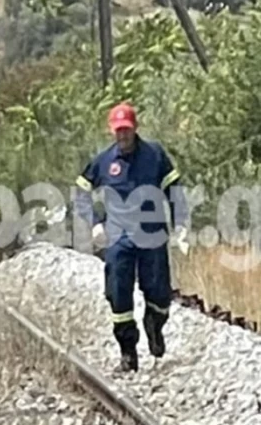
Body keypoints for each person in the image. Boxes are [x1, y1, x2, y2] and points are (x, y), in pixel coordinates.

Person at [73, 102, 189, 373]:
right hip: (119, 238)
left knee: (160, 295)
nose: (122, 135)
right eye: (118, 131)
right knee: (118, 295)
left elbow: (174, 189)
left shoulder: (155, 155)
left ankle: (154, 325)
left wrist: (181, 224)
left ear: (135, 128)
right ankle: (128, 353)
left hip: (152, 234)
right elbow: (81, 191)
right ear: (111, 131)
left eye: (126, 130)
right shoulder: (104, 161)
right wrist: (94, 224)